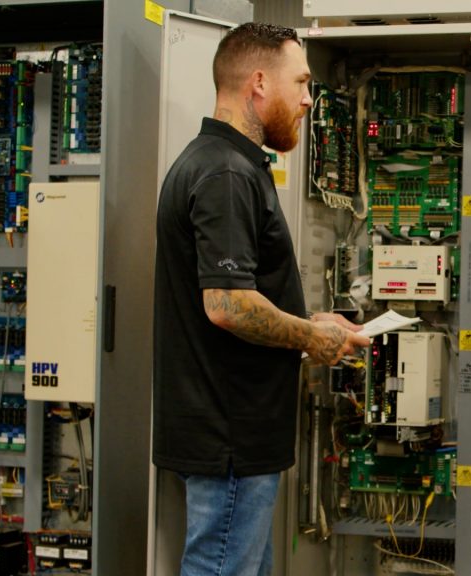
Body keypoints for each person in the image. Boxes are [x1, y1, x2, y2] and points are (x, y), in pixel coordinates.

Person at [153, 22, 369, 576]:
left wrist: (309, 320)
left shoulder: (231, 165)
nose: (306, 99)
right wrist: (311, 337)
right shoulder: (225, 172)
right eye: (299, 82)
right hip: (231, 431)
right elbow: (226, 304)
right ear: (257, 83)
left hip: (238, 432)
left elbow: (245, 296)